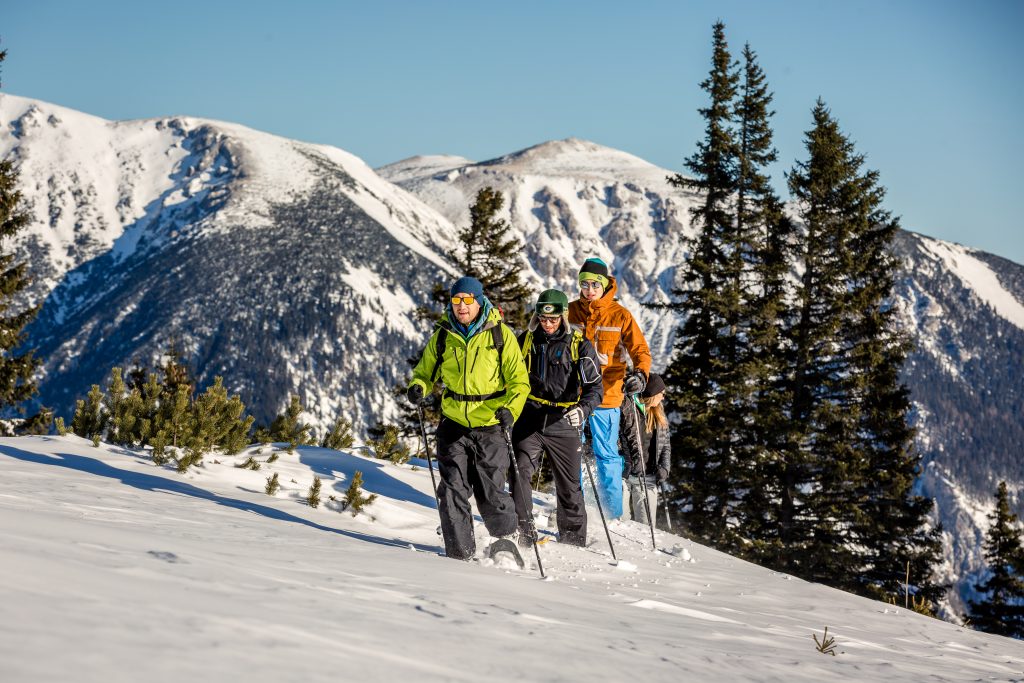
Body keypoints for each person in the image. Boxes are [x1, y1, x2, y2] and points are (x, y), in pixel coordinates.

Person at [407, 276, 530, 561]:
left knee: (490, 491)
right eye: (456, 300)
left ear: (479, 301)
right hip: (453, 422)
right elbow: (425, 372)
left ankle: (506, 540)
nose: (461, 306)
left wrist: (510, 410)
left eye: (467, 300)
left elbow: (520, 382)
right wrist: (419, 387)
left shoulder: (500, 335)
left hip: (491, 422)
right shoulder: (443, 335)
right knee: (451, 489)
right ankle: (459, 554)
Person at [510, 289, 604, 547]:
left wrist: (583, 409)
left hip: (563, 420)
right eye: (542, 319)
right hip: (529, 418)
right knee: (520, 472)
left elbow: (596, 388)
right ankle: (523, 530)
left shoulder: (579, 344)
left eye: (553, 319)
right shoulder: (526, 341)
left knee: (569, 485)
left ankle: (573, 538)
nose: (547, 324)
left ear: (563, 316)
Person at [567, 257, 652, 519]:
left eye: (595, 284)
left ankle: (613, 514)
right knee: (571, 451)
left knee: (606, 454)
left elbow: (640, 350)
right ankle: (573, 508)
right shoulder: (569, 311)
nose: (589, 289)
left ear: (605, 285)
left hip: (607, 394)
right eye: (584, 284)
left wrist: (640, 374)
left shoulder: (620, 315)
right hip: (574, 395)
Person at [618, 373, 671, 524]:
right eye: (661, 393)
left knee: (646, 526)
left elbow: (665, 445)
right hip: (624, 476)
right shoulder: (628, 409)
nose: (663, 396)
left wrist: (665, 468)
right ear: (652, 394)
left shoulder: (659, 414)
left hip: (648, 476)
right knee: (620, 522)